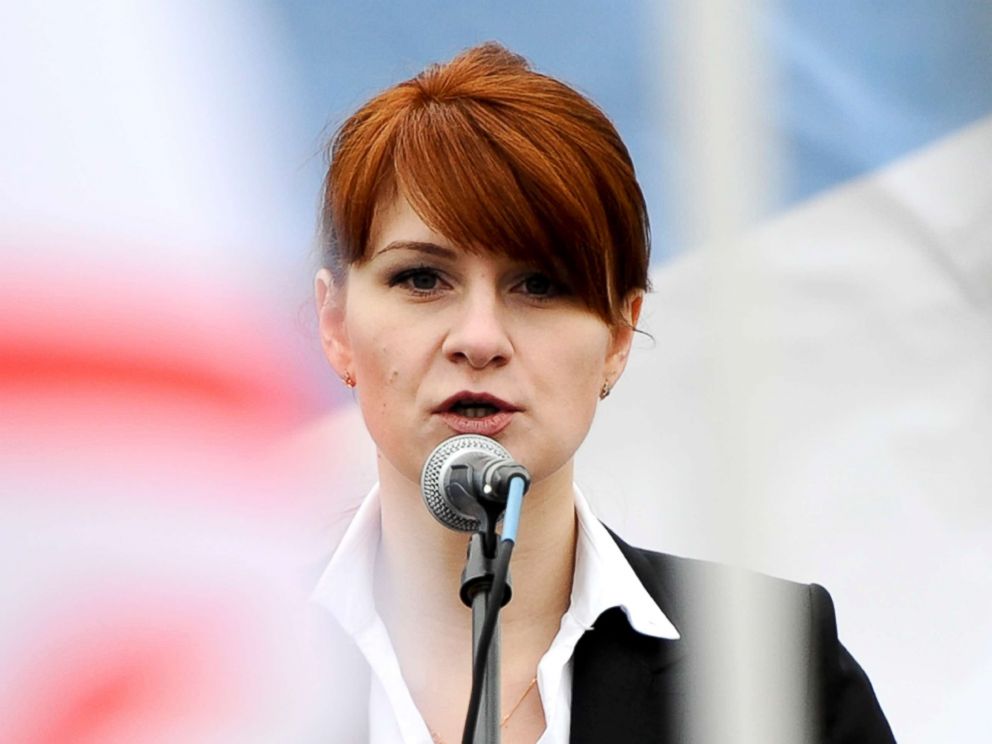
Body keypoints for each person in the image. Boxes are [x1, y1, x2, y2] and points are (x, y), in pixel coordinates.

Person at [310, 42, 895, 743]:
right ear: (337, 324)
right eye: (422, 279)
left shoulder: (767, 663)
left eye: (540, 285)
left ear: (620, 337)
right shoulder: (209, 658)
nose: (479, 338)